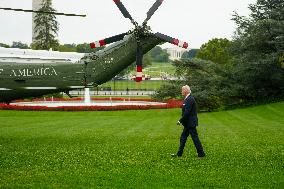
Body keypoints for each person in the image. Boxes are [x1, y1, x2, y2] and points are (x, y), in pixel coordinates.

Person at [171, 85, 205, 158]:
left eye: (182, 90)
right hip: (188, 123)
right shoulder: (187, 99)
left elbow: (187, 112)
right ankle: (179, 154)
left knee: (195, 138)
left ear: (185, 91)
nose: (181, 91)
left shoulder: (189, 99)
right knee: (183, 138)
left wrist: (180, 121)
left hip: (190, 123)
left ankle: (201, 154)